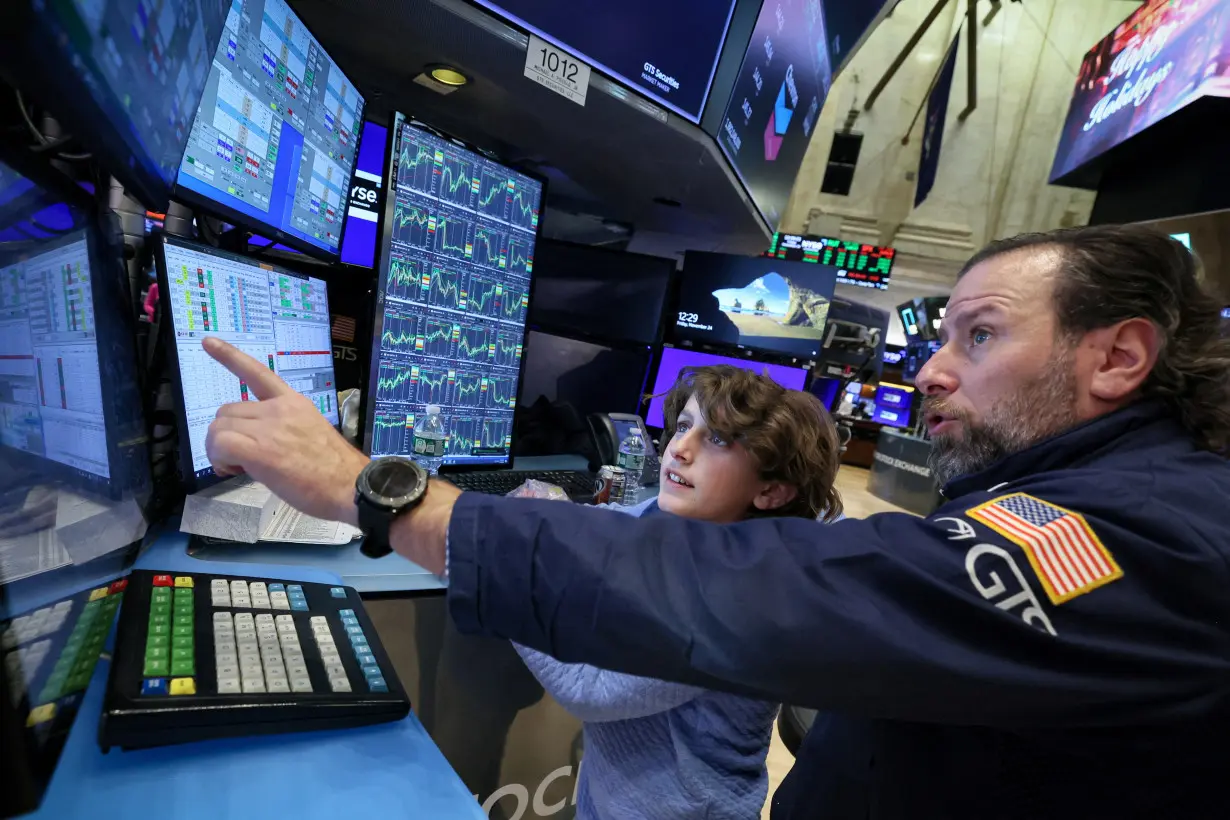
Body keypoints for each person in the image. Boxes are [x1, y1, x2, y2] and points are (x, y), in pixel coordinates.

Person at [201, 225, 1230, 818]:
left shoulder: (1153, 537)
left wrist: (385, 495)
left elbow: (780, 593)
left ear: (1118, 358)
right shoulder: (1086, 491)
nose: (929, 368)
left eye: (983, 333)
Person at [514, 365, 843, 820]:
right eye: (685, 426)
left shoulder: (732, 600)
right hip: (615, 797)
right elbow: (635, 519)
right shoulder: (694, 523)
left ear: (770, 491)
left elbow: (588, 685)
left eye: (719, 439)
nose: (679, 449)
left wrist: (506, 567)